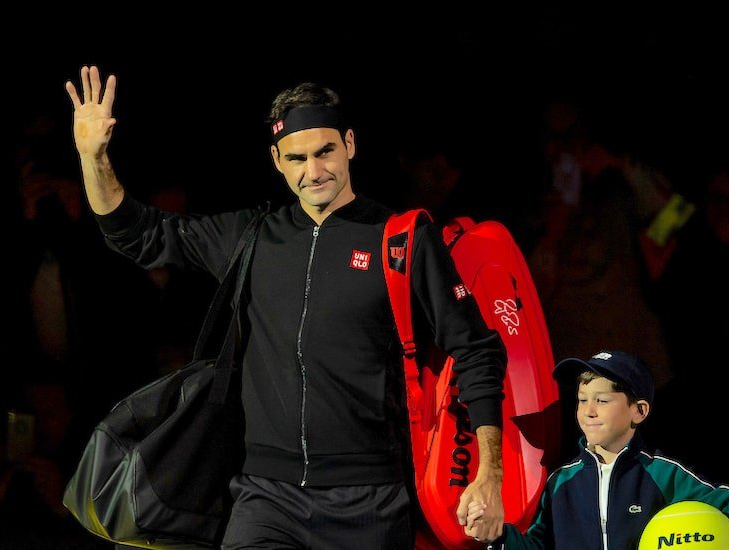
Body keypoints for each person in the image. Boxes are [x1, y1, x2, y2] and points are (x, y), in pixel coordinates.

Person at [64, 65, 508, 549]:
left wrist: (490, 473)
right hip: (264, 497)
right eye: (297, 158)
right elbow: (139, 234)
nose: (313, 171)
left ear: (351, 145)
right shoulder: (253, 236)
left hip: (371, 501)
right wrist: (94, 156)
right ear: (277, 160)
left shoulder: (400, 240)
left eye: (325, 152)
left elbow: (478, 351)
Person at [463, 349, 729, 549]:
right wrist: (498, 535)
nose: (588, 411)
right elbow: (537, 545)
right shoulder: (559, 483)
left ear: (638, 411)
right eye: (581, 400)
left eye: (601, 400)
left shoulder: (664, 474)